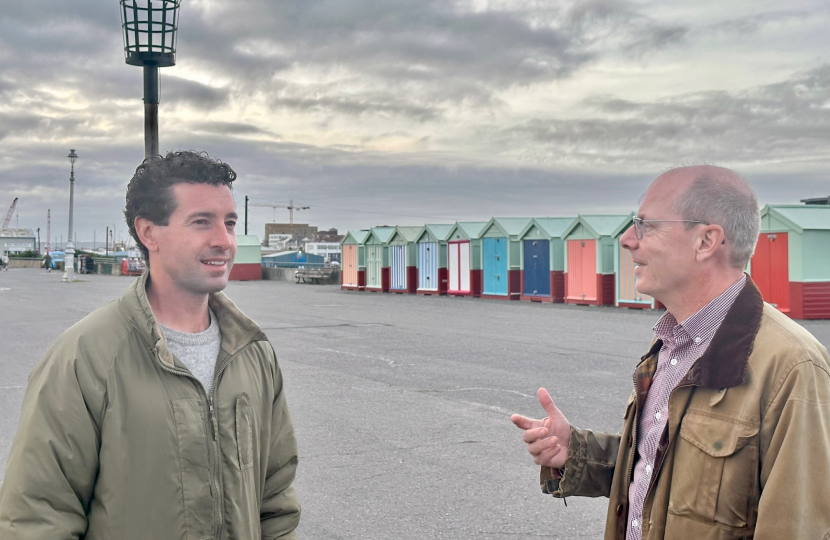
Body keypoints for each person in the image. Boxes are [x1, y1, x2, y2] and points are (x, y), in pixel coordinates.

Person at [511, 165, 830, 539]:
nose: (628, 239)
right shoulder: (674, 342)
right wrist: (576, 453)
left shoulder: (792, 365)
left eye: (646, 225)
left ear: (706, 241)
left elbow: (796, 528)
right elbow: (663, 469)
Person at [0, 151, 301, 539]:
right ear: (148, 233)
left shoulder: (254, 352)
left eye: (229, 223)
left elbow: (275, 500)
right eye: (201, 222)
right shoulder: (85, 356)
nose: (224, 241)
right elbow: (36, 518)